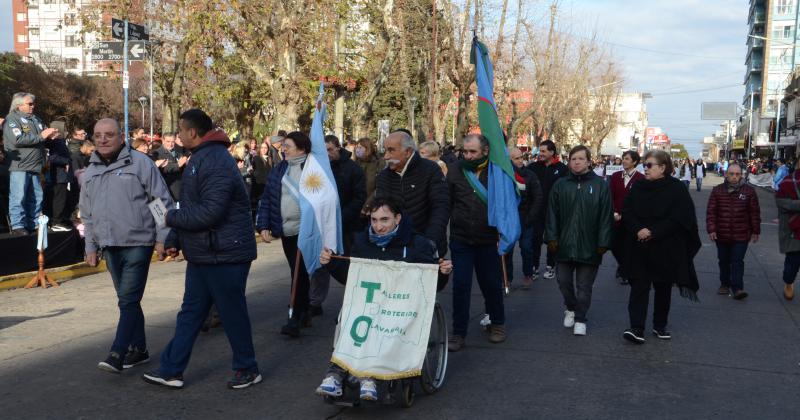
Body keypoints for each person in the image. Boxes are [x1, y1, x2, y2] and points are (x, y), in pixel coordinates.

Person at [142, 109, 261, 390]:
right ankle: (171, 369)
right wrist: (174, 239)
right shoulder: (203, 157)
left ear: (192, 132)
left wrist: (169, 218)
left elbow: (209, 213)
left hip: (225, 254)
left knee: (232, 313)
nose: (178, 135)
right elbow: (197, 210)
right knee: (191, 312)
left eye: (180, 130)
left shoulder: (215, 160)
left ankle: (247, 367)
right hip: (206, 253)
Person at [315, 196, 452, 400]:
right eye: (374, 220)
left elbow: (432, 285)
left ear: (397, 218)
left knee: (381, 321)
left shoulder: (417, 244)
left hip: (402, 306)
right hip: (369, 303)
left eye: (384, 220)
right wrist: (331, 263)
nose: (378, 226)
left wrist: (441, 272)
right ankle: (336, 373)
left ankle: (370, 376)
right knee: (352, 317)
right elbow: (351, 277)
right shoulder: (362, 242)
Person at [79, 118, 174, 373]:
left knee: (128, 299)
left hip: (138, 243)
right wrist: (90, 246)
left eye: (109, 134)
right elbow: (86, 213)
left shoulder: (141, 163)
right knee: (128, 299)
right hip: (109, 245)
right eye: (98, 135)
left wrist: (162, 237)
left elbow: (159, 202)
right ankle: (139, 349)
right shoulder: (91, 170)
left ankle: (117, 352)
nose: (103, 139)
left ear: (122, 137)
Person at [622, 150, 701, 344]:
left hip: (665, 247)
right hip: (640, 246)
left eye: (649, 165)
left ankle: (660, 325)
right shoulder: (638, 186)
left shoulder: (676, 189)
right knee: (639, 286)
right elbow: (627, 211)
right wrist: (638, 229)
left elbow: (681, 218)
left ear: (663, 168)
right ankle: (636, 328)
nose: (645, 169)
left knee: (663, 287)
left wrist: (653, 231)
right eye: (644, 165)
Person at [447, 134, 508, 350]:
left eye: (473, 151)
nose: (467, 155)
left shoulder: (496, 171)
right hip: (461, 238)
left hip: (488, 239)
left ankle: (497, 323)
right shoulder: (455, 170)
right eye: (465, 151)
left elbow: (508, 201)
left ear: (485, 151)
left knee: (491, 284)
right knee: (461, 286)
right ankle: (458, 332)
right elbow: (446, 202)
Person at [545, 145, 613, 336]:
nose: (576, 162)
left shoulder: (600, 185)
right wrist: (551, 237)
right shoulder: (560, 184)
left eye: (581, 159)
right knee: (563, 282)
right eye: (573, 159)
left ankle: (581, 318)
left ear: (589, 162)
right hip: (563, 245)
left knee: (584, 287)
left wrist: (603, 242)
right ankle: (571, 307)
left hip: (590, 246)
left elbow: (605, 216)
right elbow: (551, 214)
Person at [255, 131, 315, 337]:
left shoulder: (312, 169)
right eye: (283, 145)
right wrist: (263, 225)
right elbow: (268, 198)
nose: (283, 148)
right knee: (297, 271)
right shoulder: (279, 169)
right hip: (286, 230)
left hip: (306, 230)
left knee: (299, 272)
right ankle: (304, 307)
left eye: (288, 145)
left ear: (302, 148)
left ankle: (295, 315)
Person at [308, 135, 366, 316]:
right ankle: (315, 301)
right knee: (321, 263)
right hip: (323, 226)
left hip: (347, 226)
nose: (327, 153)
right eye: (323, 150)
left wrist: (340, 218)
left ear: (338, 149)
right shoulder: (319, 170)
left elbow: (359, 198)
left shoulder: (353, 169)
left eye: (330, 150)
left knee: (347, 266)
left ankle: (353, 304)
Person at [374, 130, 449, 256]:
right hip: (395, 247)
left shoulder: (431, 170)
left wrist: (430, 241)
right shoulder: (383, 176)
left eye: (391, 150)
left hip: (429, 246)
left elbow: (441, 207)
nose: (386, 156)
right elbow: (381, 210)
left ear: (407, 152)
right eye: (385, 150)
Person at [3, 92, 60, 235]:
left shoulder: (36, 119)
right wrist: (42, 135)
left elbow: (41, 137)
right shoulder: (12, 119)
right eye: (30, 103)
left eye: (33, 103)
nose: (33, 106)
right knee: (19, 196)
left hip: (36, 165)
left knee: (36, 197)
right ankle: (18, 225)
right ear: (19, 105)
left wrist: (50, 136)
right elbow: (18, 140)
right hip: (20, 166)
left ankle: (34, 223)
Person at [706, 163, 760, 300]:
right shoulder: (717, 190)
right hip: (721, 233)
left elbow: (754, 213)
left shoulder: (749, 191)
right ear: (726, 174)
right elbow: (711, 212)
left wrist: (756, 230)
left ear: (741, 175)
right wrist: (711, 229)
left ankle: (737, 288)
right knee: (723, 260)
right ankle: (724, 284)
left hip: (741, 234)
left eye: (737, 174)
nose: (734, 177)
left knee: (737, 261)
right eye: (731, 174)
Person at [528, 140, 568, 280]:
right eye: (540, 150)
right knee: (535, 238)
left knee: (552, 239)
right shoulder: (533, 167)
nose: (541, 153)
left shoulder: (563, 169)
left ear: (552, 152)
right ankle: (534, 266)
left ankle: (551, 266)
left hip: (554, 211)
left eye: (544, 151)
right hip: (536, 210)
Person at [506, 146, 543, 289]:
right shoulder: (504, 176)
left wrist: (530, 217)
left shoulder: (530, 175)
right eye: (517, 158)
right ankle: (507, 278)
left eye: (521, 157)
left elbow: (538, 197)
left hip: (526, 218)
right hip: (509, 219)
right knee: (507, 250)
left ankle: (528, 274)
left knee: (526, 248)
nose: (521, 160)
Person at [609, 150, 645, 285]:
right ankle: (623, 265)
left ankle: (625, 270)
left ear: (634, 162)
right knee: (613, 245)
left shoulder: (640, 178)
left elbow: (641, 201)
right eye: (623, 158)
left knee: (628, 246)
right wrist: (613, 213)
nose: (624, 161)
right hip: (615, 217)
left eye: (627, 159)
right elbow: (610, 196)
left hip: (632, 220)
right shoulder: (615, 176)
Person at [775, 160, 800, 300]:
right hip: (794, 230)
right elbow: (780, 201)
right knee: (793, 262)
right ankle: (788, 282)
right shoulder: (788, 181)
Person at [44, 126, 74, 231]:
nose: (66, 131)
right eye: (64, 129)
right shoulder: (54, 142)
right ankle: (56, 221)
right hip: (58, 175)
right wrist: (66, 161)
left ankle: (61, 219)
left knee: (62, 198)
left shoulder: (60, 141)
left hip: (63, 175)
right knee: (58, 199)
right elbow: (52, 158)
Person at [152, 133, 187, 201]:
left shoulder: (176, 152)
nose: (170, 144)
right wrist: (178, 165)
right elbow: (164, 168)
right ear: (163, 141)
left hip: (179, 188)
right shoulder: (157, 153)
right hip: (167, 189)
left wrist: (186, 163)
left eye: (173, 142)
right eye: (168, 141)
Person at [353, 137, 383, 211]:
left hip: (373, 206)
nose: (357, 150)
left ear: (368, 148)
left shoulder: (379, 163)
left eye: (360, 147)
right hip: (356, 206)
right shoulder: (355, 164)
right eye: (356, 147)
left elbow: (379, 187)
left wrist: (367, 204)